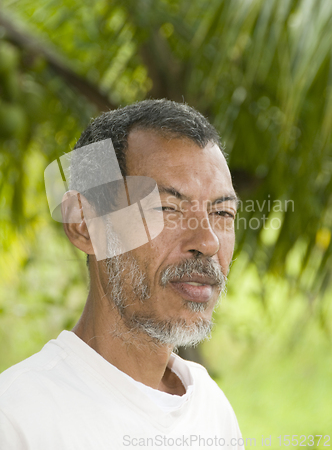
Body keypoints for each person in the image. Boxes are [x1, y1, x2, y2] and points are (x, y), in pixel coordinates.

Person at [0, 99, 243, 449]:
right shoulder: (19, 420)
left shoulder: (211, 408)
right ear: (84, 225)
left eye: (222, 213)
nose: (207, 241)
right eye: (168, 208)